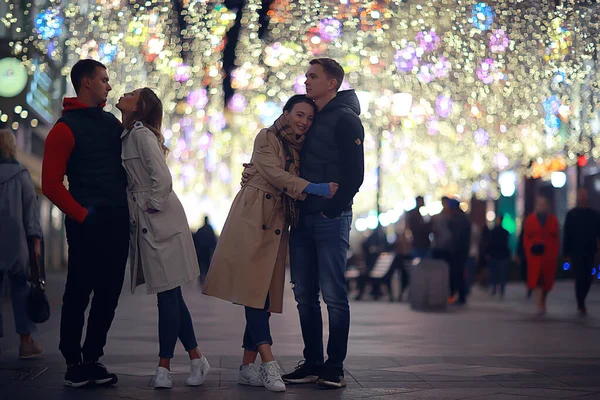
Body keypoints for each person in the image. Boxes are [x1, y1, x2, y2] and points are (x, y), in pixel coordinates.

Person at [203, 95, 337, 392]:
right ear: (286, 113)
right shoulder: (268, 137)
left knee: (261, 294)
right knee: (254, 294)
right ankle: (268, 362)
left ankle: (246, 366)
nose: (304, 122)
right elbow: (275, 174)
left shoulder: (298, 147)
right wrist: (314, 188)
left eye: (309, 118)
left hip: (276, 221)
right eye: (299, 115)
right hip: (253, 218)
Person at [42, 59, 129, 388]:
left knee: (109, 293)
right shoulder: (63, 129)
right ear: (86, 82)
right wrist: (82, 215)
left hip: (117, 220)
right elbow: (50, 184)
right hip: (87, 222)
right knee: (79, 292)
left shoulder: (112, 124)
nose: (108, 85)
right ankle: (73, 360)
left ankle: (92, 357)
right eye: (104, 79)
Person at [116, 88, 210, 389]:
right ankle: (196, 358)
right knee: (170, 294)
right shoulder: (128, 133)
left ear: (139, 106)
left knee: (167, 295)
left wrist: (148, 206)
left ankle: (164, 366)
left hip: (160, 223)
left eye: (131, 93)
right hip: (152, 223)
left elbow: (163, 180)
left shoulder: (140, 135)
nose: (124, 93)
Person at [283, 58, 364, 389]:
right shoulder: (309, 116)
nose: (306, 81)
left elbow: (355, 172)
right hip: (302, 217)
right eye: (306, 76)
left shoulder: (345, 119)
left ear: (332, 83)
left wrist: (335, 208)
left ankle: (335, 366)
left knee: (333, 294)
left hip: (330, 218)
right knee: (304, 294)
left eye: (313, 76)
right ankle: (313, 361)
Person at [0, 129, 44, 359]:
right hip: (16, 242)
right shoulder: (21, 174)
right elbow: (31, 212)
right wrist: (34, 241)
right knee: (21, 289)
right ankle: (25, 343)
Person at [563, 187, 600, 316]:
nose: (583, 197)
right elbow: (567, 234)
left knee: (588, 277)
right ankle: (580, 303)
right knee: (580, 276)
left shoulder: (594, 215)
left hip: (589, 250)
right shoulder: (572, 214)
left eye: (585, 195)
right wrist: (566, 253)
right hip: (576, 251)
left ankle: (582, 298)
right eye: (581, 195)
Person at [523, 195, 560, 316]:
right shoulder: (530, 220)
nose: (541, 207)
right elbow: (526, 238)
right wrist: (529, 249)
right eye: (539, 204)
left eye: (543, 204)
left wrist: (555, 252)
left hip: (548, 256)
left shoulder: (553, 220)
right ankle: (539, 304)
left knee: (547, 281)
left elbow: (556, 238)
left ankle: (542, 301)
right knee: (537, 280)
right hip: (535, 255)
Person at [448, 199, 471, 305]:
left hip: (459, 251)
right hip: (462, 250)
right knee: (460, 273)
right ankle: (461, 296)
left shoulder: (459, 220)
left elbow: (457, 237)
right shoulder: (463, 218)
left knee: (459, 274)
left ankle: (461, 296)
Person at [486, 214, 511, 297]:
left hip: (499, 255)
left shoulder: (495, 232)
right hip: (498, 255)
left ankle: (498, 289)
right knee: (498, 273)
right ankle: (498, 289)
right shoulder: (504, 232)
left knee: (498, 273)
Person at [192, 216, 217, 283]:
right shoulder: (209, 229)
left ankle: (201, 278)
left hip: (201, 250)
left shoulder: (201, 229)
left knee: (201, 264)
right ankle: (206, 278)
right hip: (207, 250)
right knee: (207, 264)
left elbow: (196, 240)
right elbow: (213, 240)